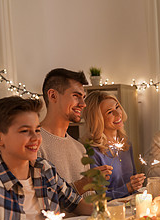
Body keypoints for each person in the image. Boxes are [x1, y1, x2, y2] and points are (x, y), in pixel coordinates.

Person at [38, 68, 112, 196]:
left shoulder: (79, 148)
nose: (83, 104)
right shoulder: (34, 144)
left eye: (83, 97)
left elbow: (88, 199)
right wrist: (82, 184)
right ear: (53, 96)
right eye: (76, 96)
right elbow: (39, 201)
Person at [81, 91, 145, 199]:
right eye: (110, 112)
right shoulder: (92, 152)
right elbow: (97, 196)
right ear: (98, 120)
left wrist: (137, 183)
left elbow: (133, 180)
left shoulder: (126, 144)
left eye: (117, 107)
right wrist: (127, 188)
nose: (118, 114)